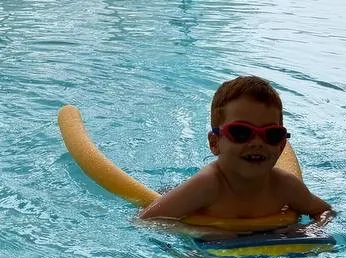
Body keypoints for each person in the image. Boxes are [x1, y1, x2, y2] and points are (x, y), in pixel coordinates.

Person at [140, 75, 333, 228]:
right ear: (215, 143)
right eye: (241, 132)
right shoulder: (207, 186)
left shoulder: (285, 186)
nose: (257, 143)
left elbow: (324, 211)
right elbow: (146, 220)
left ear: (281, 146)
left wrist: (312, 230)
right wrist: (200, 232)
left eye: (272, 135)